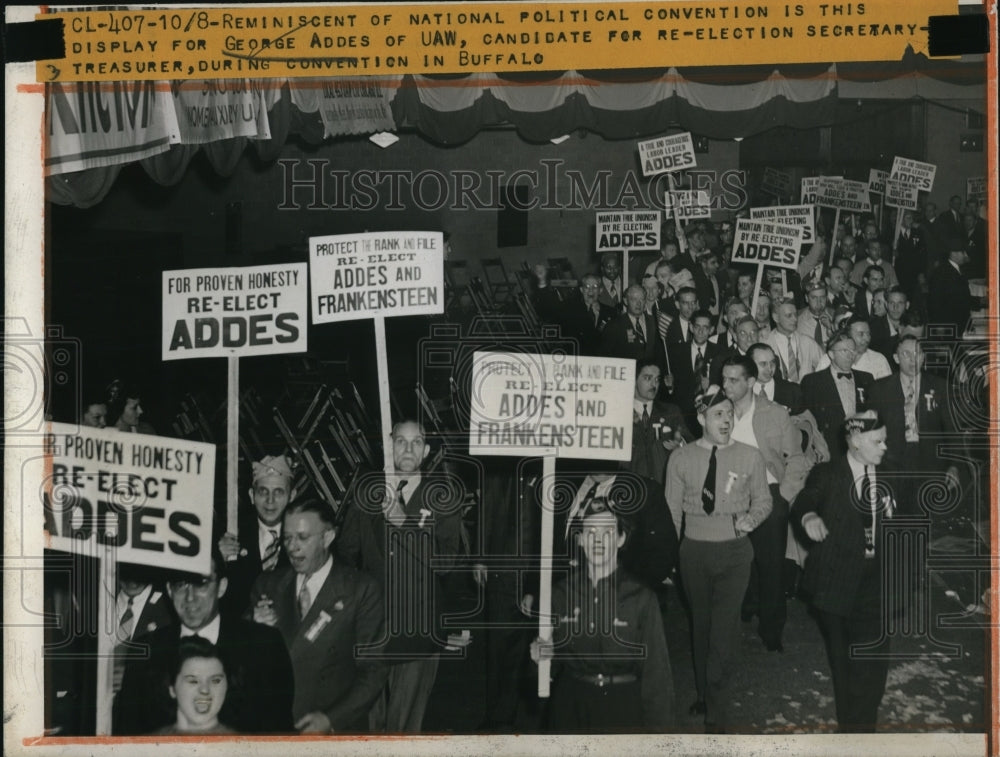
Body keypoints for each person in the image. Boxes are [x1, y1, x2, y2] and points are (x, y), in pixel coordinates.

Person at [335, 420, 464, 733]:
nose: (408, 448)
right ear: (387, 445)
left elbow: (446, 562)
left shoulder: (443, 495)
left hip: (417, 635)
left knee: (404, 731)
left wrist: (405, 524)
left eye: (416, 442)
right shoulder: (368, 491)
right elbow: (345, 554)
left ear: (427, 450)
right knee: (368, 726)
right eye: (401, 441)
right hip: (372, 632)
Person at [665, 386, 772, 732]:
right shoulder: (680, 459)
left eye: (729, 413)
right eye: (717, 414)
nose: (725, 420)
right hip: (694, 551)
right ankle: (702, 692)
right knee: (702, 625)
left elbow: (764, 501)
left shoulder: (750, 456)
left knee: (724, 631)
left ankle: (717, 710)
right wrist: (669, 559)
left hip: (735, 552)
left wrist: (751, 520)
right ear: (701, 419)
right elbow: (671, 514)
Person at [792, 411, 898, 732]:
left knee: (874, 663)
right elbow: (803, 501)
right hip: (836, 580)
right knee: (845, 664)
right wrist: (809, 517)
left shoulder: (891, 473)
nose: (884, 447)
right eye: (876, 441)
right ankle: (854, 730)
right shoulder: (828, 474)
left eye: (885, 440)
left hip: (877, 577)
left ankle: (862, 726)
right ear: (854, 443)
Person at [114, 550, 295, 734]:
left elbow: (279, 734)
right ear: (169, 589)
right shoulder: (146, 651)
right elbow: (129, 736)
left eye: (201, 583)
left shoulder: (263, 646)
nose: (190, 597)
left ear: (222, 587)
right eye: (181, 584)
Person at [530, 504, 674, 733]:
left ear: (621, 539)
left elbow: (657, 677)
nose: (598, 540)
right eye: (591, 532)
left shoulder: (641, 599)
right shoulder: (559, 594)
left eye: (607, 532)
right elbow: (542, 677)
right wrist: (538, 659)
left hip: (622, 708)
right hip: (570, 707)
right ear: (580, 539)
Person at [251, 498, 387, 733]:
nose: (292, 547)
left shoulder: (361, 590)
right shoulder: (268, 584)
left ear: (327, 537)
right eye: (287, 538)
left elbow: (373, 671)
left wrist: (331, 719)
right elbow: (239, 656)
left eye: (303, 538)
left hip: (333, 731)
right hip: (275, 728)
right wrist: (251, 626)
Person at [720, 356, 810, 653]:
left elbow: (796, 458)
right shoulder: (718, 412)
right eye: (723, 379)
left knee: (771, 566)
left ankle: (772, 628)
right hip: (730, 493)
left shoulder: (774, 413)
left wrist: (783, 494)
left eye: (733, 380)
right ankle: (747, 606)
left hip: (769, 492)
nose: (726, 385)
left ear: (749, 382)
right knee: (736, 560)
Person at [867, 335, 959, 515]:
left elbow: (952, 429)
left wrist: (954, 465)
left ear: (923, 357)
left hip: (928, 466)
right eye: (906, 354)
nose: (913, 359)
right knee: (891, 524)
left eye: (917, 353)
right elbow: (870, 432)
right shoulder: (879, 389)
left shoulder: (940, 387)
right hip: (890, 467)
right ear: (896, 358)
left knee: (921, 524)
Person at [218, 454, 296, 616]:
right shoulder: (230, 534)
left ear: (292, 496)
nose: (270, 500)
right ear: (252, 496)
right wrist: (217, 559)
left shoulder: (304, 535)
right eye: (263, 492)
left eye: (279, 492)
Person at [799, 332, 874, 460]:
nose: (851, 355)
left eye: (853, 350)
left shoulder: (867, 379)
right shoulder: (812, 382)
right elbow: (806, 420)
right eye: (844, 350)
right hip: (828, 451)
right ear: (831, 354)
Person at [627, 358, 691, 485]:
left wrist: (680, 445)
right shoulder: (620, 413)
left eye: (657, 379)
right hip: (630, 488)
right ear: (633, 380)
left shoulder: (671, 412)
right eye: (647, 378)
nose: (654, 384)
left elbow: (691, 443)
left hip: (664, 487)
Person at [155, 637, 235, 735]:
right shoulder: (145, 744)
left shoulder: (246, 743)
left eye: (215, 680)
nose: (205, 690)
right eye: (193, 681)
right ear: (172, 689)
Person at [667, 309, 719, 433]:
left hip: (709, 412)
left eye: (705, 327)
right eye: (697, 327)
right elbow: (669, 390)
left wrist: (710, 384)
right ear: (691, 327)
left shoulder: (719, 353)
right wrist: (669, 385)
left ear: (711, 330)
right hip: (683, 414)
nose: (701, 331)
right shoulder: (676, 351)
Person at [600, 284, 667, 368]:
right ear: (625, 301)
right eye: (634, 299)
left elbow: (661, 353)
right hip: (626, 375)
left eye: (642, 299)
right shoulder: (614, 325)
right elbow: (606, 356)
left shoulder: (655, 322)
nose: (638, 303)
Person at [765, 300, 823, 383]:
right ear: (776, 317)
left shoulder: (808, 342)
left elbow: (825, 366)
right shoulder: (765, 344)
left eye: (796, 314)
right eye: (789, 316)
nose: (795, 319)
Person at [927, 246, 974, 337]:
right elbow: (934, 302)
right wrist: (939, 326)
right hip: (949, 326)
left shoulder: (957, 270)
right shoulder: (941, 272)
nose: (965, 255)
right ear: (953, 253)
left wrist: (981, 301)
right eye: (962, 252)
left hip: (959, 324)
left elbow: (962, 298)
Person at [748, 342, 802, 415]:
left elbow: (805, 421)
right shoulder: (741, 392)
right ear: (750, 365)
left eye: (772, 363)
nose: (769, 368)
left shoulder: (793, 391)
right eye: (763, 364)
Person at [797, 282, 835, 349]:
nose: (819, 302)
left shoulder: (835, 317)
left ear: (826, 298)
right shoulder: (797, 320)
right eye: (814, 298)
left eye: (822, 297)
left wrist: (830, 329)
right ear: (806, 298)